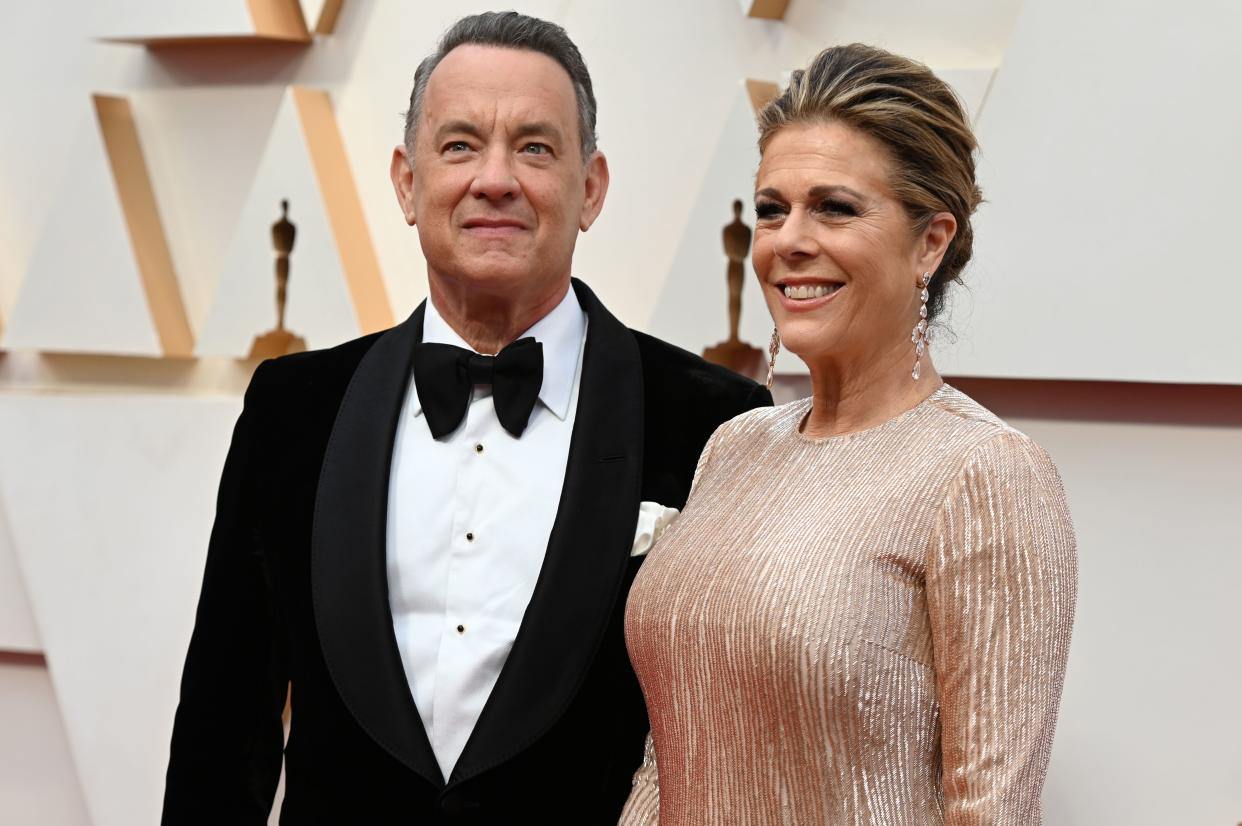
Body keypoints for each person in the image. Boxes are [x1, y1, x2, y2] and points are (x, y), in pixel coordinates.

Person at [161, 12, 770, 824]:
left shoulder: (715, 422)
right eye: (459, 145)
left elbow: (736, 747)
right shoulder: (291, 409)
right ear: (407, 183)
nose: (495, 178)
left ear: (590, 189)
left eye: (534, 146)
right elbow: (222, 729)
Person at [621, 44, 1078, 824]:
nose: (789, 241)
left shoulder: (985, 475)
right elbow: (668, 762)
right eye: (773, 208)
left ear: (931, 241)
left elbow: (992, 812)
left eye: (835, 207)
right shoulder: (733, 448)